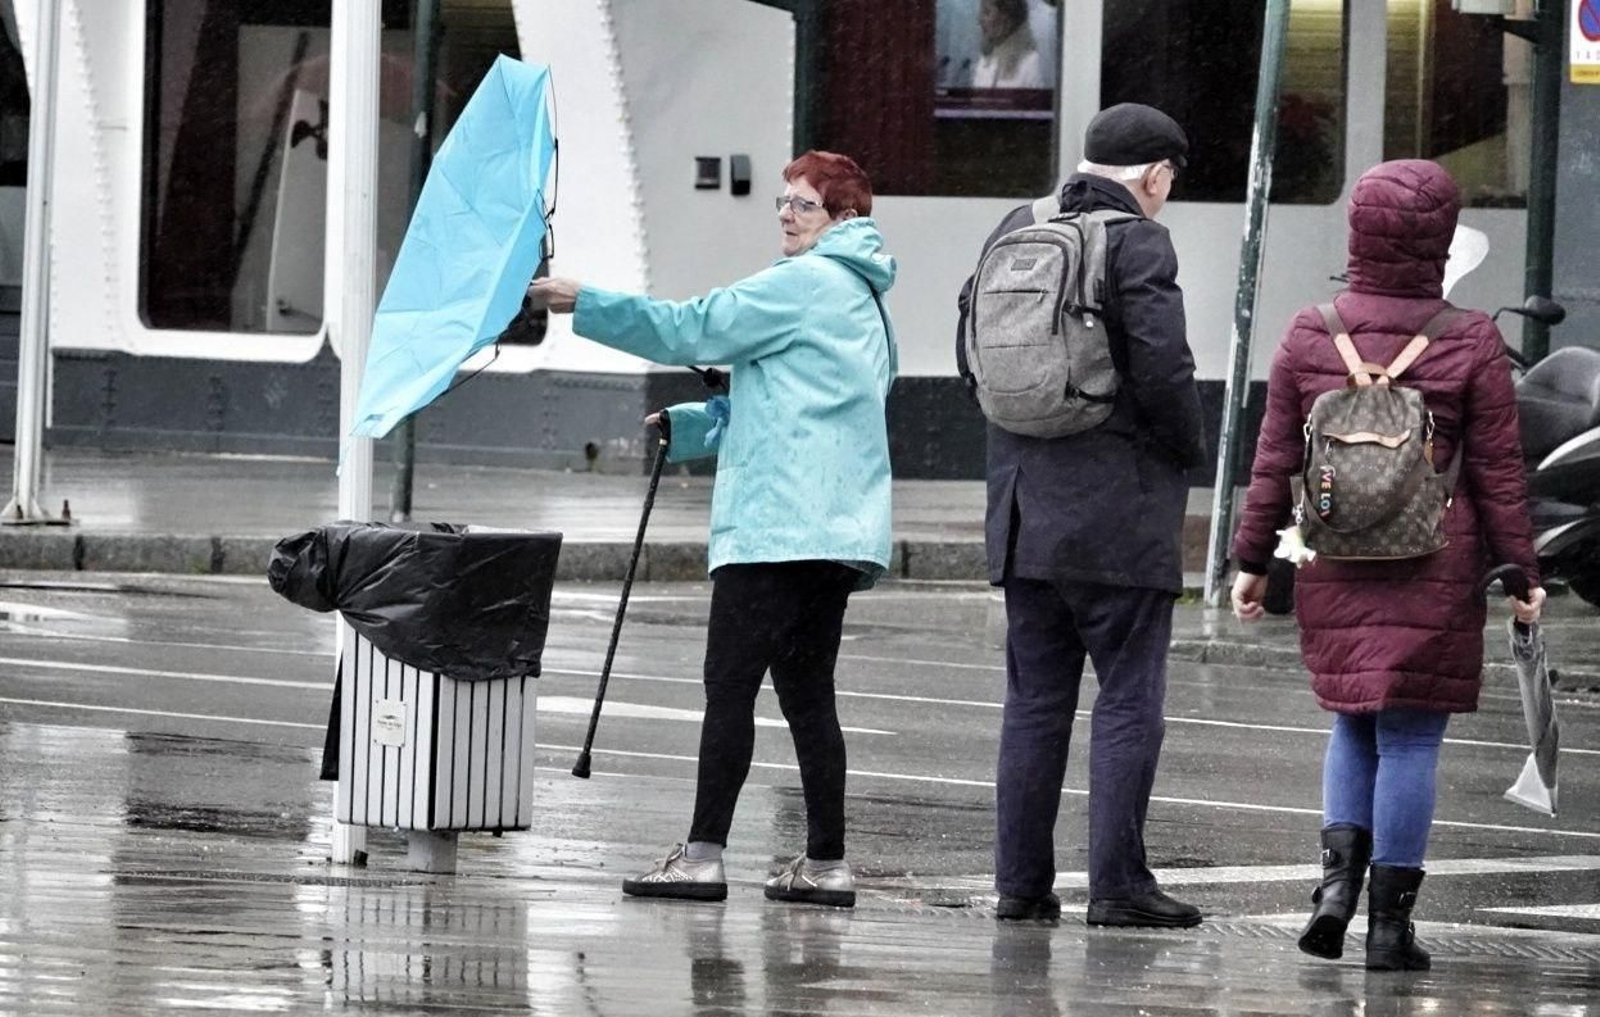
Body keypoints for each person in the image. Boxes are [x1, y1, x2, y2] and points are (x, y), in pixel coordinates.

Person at [529, 151, 897, 909]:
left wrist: (584, 301)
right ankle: (827, 863)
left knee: (728, 690)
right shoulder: (867, 301)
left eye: (803, 204)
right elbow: (792, 405)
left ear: (843, 218)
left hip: (771, 529)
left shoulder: (802, 283)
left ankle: (702, 856)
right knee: (809, 698)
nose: (786, 214)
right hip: (834, 535)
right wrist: (692, 426)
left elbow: (687, 327)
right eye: (783, 201)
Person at [1229, 160, 1545, 971]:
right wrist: (1521, 571)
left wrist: (1252, 559)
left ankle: (1335, 891)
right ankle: (1389, 927)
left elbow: (1273, 461)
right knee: (1410, 740)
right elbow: (1499, 472)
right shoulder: (1469, 337)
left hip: (1336, 555)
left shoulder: (1310, 331)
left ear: (1358, 233)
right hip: (1433, 559)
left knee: (1352, 722)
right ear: (1440, 238)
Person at [956, 103, 1207, 927]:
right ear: (1156, 175)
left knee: (1033, 702)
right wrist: (1188, 453)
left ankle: (1020, 885)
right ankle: (1118, 886)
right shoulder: (1139, 240)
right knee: (1129, 699)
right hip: (1118, 513)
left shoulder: (1017, 226)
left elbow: (973, 343)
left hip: (1025, 509)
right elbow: (1164, 368)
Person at [973, 0, 1046, 89]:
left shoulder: (1030, 63)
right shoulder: (985, 61)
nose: (979, 20)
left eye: (986, 12)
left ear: (1007, 18)